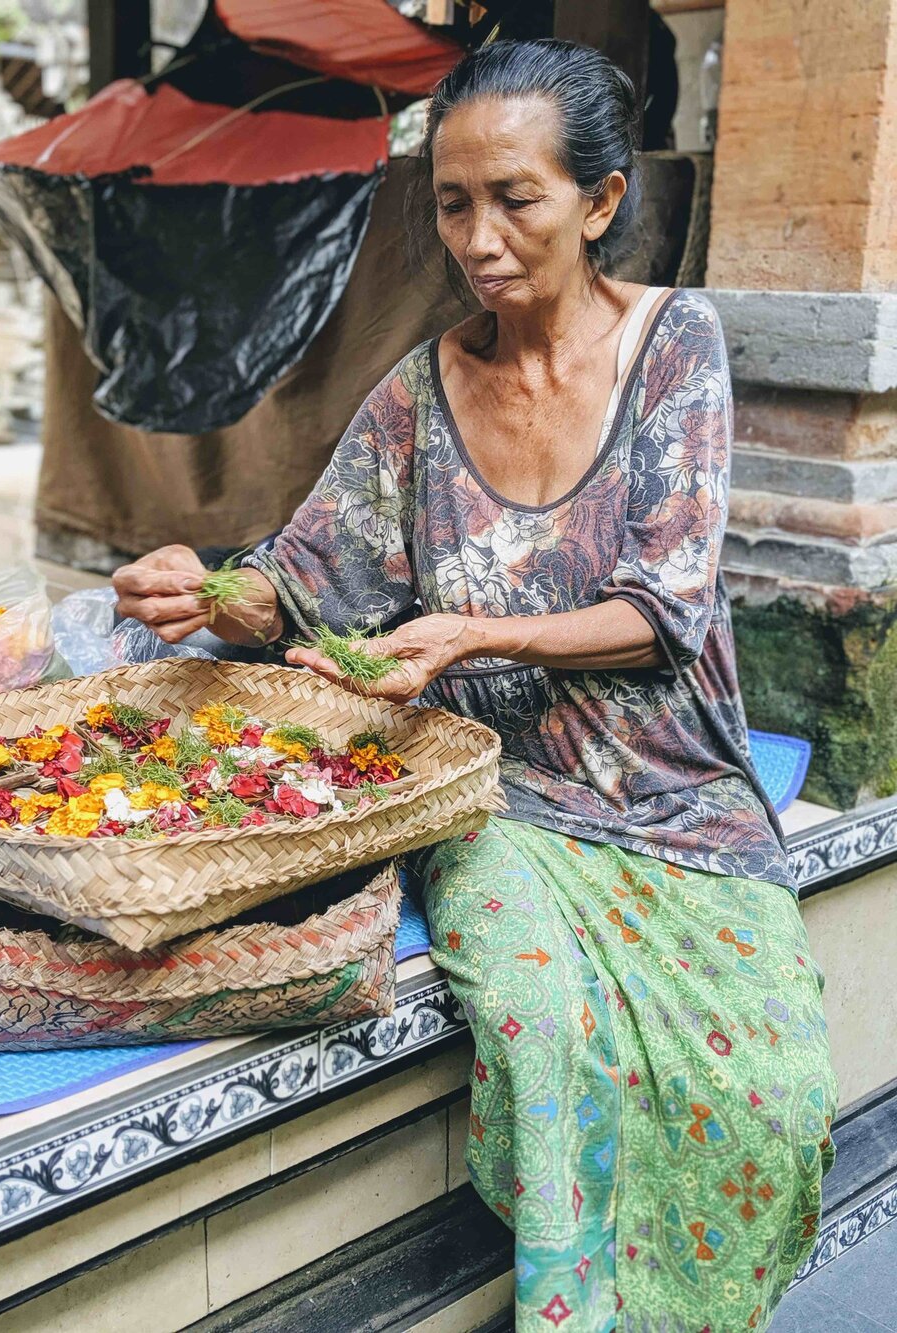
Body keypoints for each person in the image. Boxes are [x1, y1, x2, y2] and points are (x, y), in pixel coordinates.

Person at [113, 40, 836, 1332]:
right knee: (542, 1023)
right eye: (452, 203)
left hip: (677, 800)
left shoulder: (678, 349)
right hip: (491, 796)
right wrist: (208, 589)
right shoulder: (415, 400)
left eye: (518, 198)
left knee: (769, 1085)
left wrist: (469, 634)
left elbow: (663, 614)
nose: (479, 237)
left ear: (600, 202)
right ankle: (574, 1311)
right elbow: (307, 579)